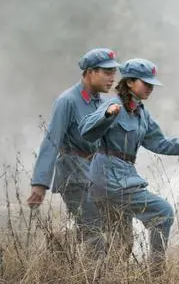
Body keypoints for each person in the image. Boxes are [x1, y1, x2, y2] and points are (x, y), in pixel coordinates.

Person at [78, 58, 179, 274]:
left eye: (152, 84)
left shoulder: (141, 112)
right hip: (110, 179)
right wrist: (107, 116)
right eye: (146, 83)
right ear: (130, 82)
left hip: (120, 177)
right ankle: (156, 273)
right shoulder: (112, 104)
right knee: (163, 212)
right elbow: (86, 130)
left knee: (121, 243)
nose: (150, 88)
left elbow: (157, 142)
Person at [28, 48, 120, 255]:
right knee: (94, 232)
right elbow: (52, 140)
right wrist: (40, 183)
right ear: (89, 72)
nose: (112, 78)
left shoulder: (104, 104)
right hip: (74, 175)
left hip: (98, 174)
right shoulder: (67, 101)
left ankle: (59, 248)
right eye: (107, 72)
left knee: (110, 227)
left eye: (114, 72)